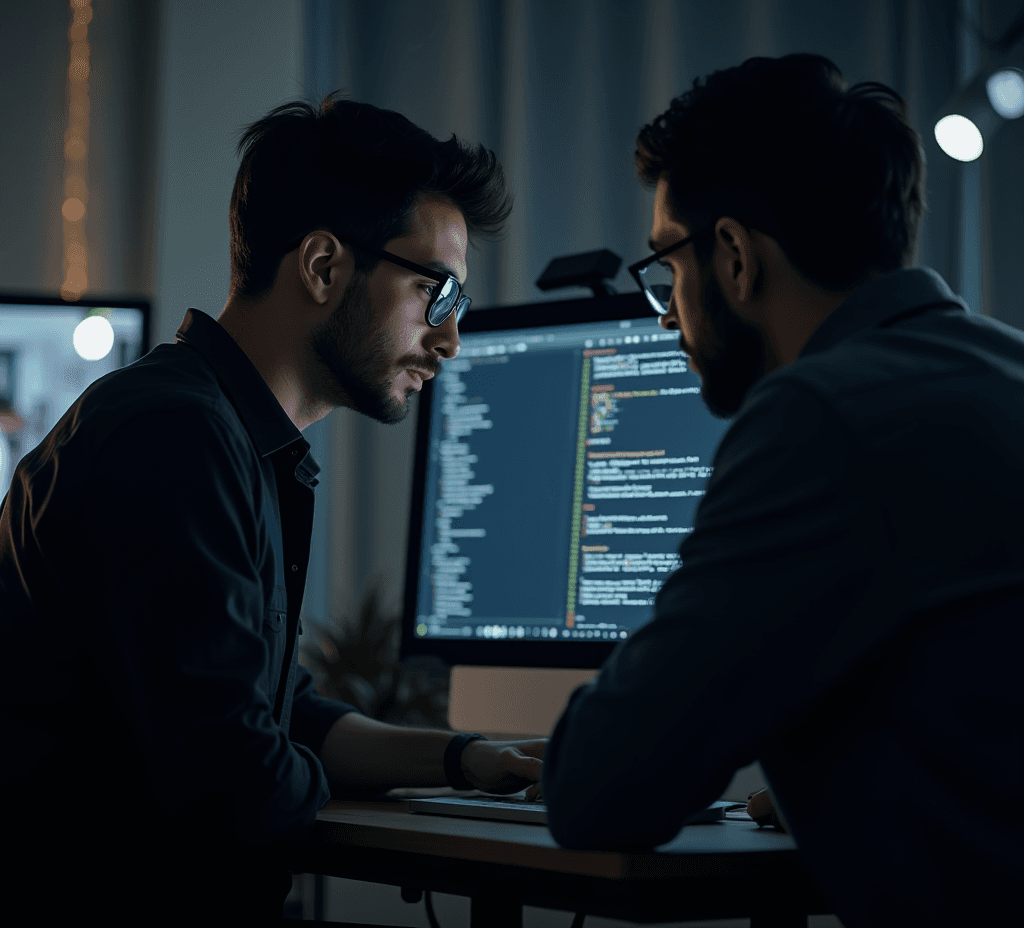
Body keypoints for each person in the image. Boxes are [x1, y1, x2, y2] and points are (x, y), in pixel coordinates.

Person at [0, 95, 543, 923]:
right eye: (438, 296)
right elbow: (237, 779)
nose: (450, 340)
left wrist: (469, 759)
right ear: (324, 267)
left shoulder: (222, 433)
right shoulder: (173, 439)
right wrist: (281, 758)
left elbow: (280, 713)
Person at [543, 55, 1022, 927]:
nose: (666, 312)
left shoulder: (819, 415)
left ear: (732, 254)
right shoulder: (1004, 368)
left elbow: (597, 789)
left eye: (666, 266)